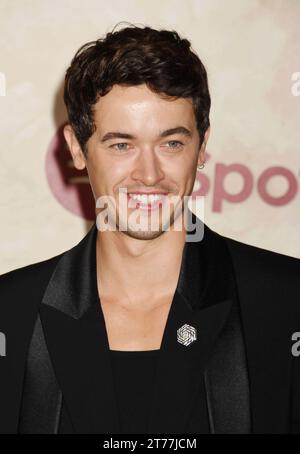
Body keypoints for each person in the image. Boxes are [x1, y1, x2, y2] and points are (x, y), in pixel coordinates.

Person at [0, 23, 300, 435]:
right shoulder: (11, 313)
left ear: (202, 145)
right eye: (121, 144)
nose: (149, 174)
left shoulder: (286, 302)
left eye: (171, 143)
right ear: (77, 149)